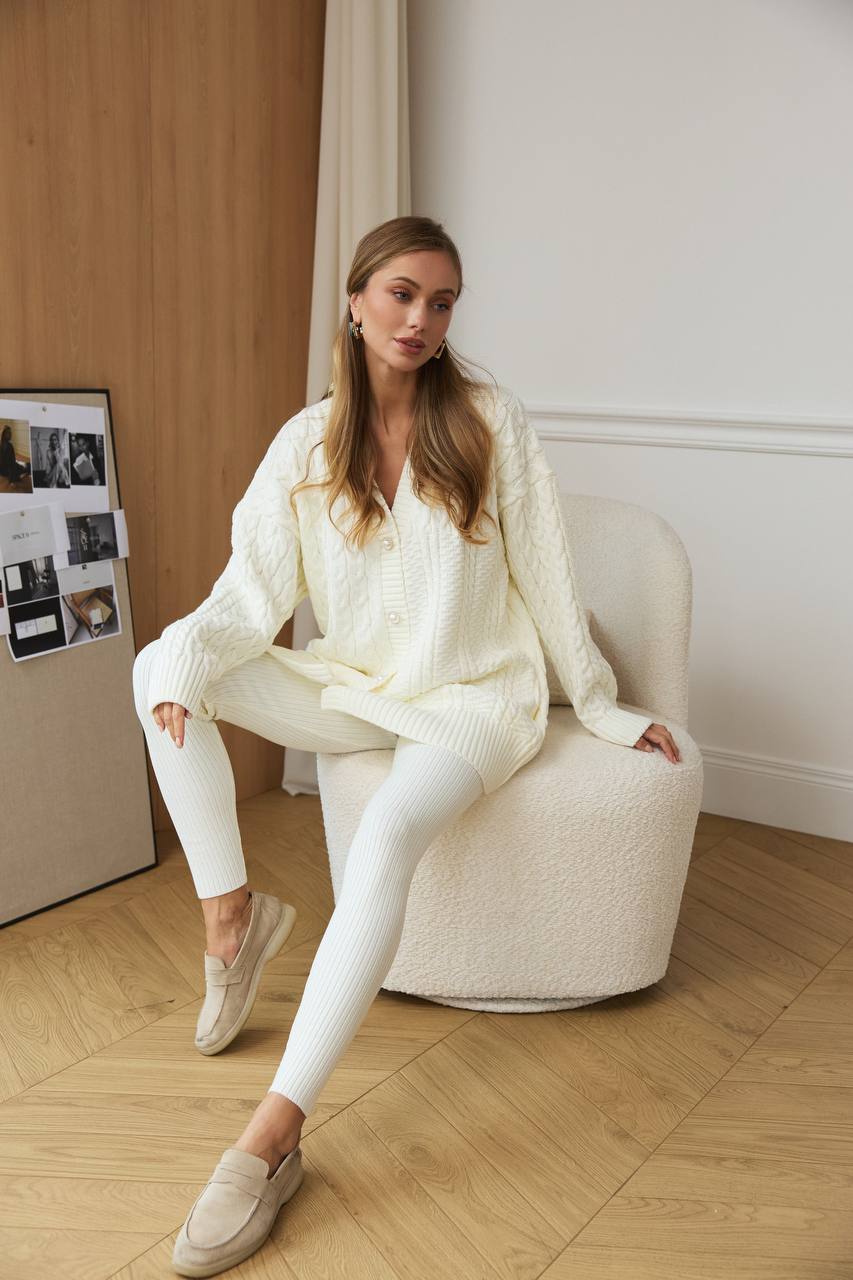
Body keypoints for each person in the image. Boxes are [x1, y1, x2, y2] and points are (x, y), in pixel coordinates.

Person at [132, 215, 680, 1276]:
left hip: (476, 696)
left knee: (381, 838)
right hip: (359, 685)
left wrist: (602, 703)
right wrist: (193, 663)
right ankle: (232, 919)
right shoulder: (306, 439)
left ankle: (273, 1134)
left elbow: (551, 580)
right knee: (162, 663)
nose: (420, 318)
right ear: (354, 300)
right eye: (400, 293)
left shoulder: (487, 420)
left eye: (441, 301)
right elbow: (250, 593)